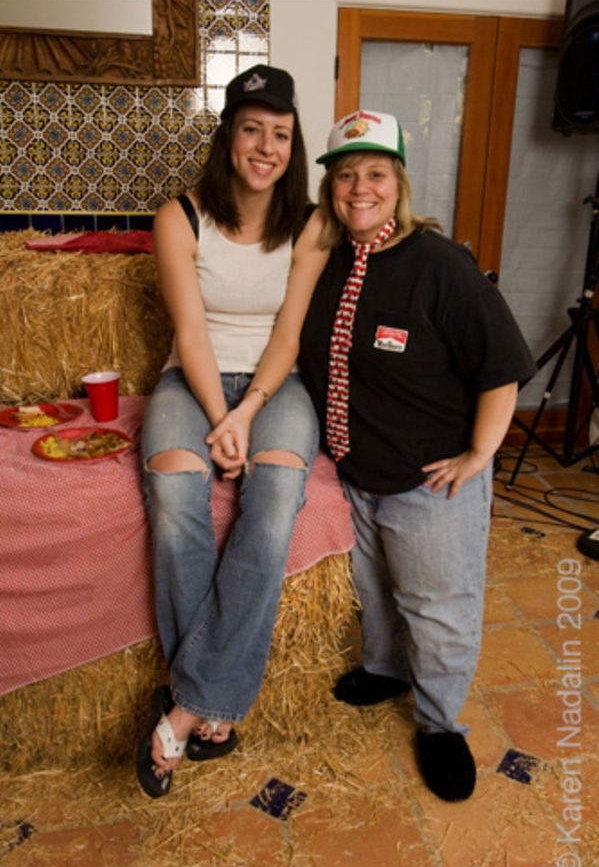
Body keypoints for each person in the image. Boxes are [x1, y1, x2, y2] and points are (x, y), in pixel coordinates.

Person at [298, 110, 536, 802]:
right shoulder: (324, 259)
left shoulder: (440, 265)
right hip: (358, 472)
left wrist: (479, 453)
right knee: (375, 592)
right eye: (345, 176)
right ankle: (385, 669)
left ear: (398, 183)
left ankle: (439, 724)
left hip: (428, 481)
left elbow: (500, 366)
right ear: (329, 189)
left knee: (437, 608)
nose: (360, 189)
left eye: (375, 173)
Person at [136, 64, 327, 799]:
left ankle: (187, 706)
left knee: (275, 498)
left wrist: (246, 415)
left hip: (278, 385)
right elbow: (190, 333)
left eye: (280, 134)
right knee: (174, 491)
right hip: (193, 380)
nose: (266, 147)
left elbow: (288, 335)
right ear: (227, 136)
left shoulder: (310, 223)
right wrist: (220, 417)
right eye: (252, 130)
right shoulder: (178, 216)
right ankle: (211, 702)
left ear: (293, 145)